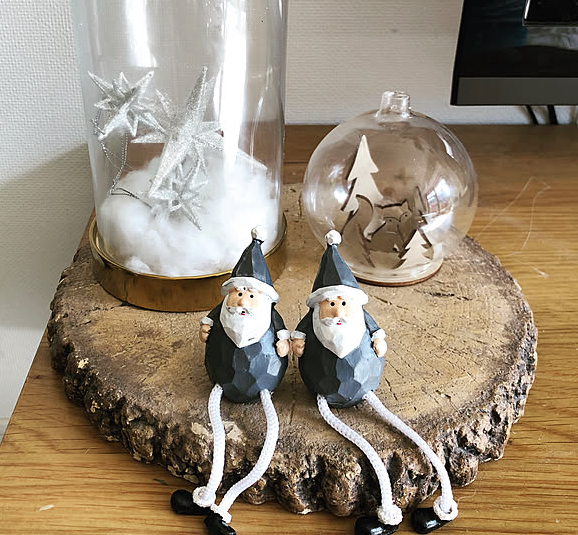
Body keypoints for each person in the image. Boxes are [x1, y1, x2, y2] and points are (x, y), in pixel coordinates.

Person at [293, 230, 458, 535]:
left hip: (365, 386)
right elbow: (299, 335)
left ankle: (441, 502)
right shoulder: (312, 322)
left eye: (343, 302)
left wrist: (379, 340)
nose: (337, 310)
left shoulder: (362, 319)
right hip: (323, 390)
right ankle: (388, 512)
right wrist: (297, 342)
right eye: (330, 303)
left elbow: (376, 332)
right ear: (318, 304)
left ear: (354, 302)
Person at [171, 226, 289, 535]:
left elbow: (281, 333)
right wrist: (206, 329)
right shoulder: (221, 313)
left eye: (250, 295)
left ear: (263, 297)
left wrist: (283, 342)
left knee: (269, 431)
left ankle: (222, 507)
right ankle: (207, 495)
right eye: (238, 293)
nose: (243, 301)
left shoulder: (270, 318)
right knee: (215, 420)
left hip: (263, 384)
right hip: (222, 379)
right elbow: (209, 321)